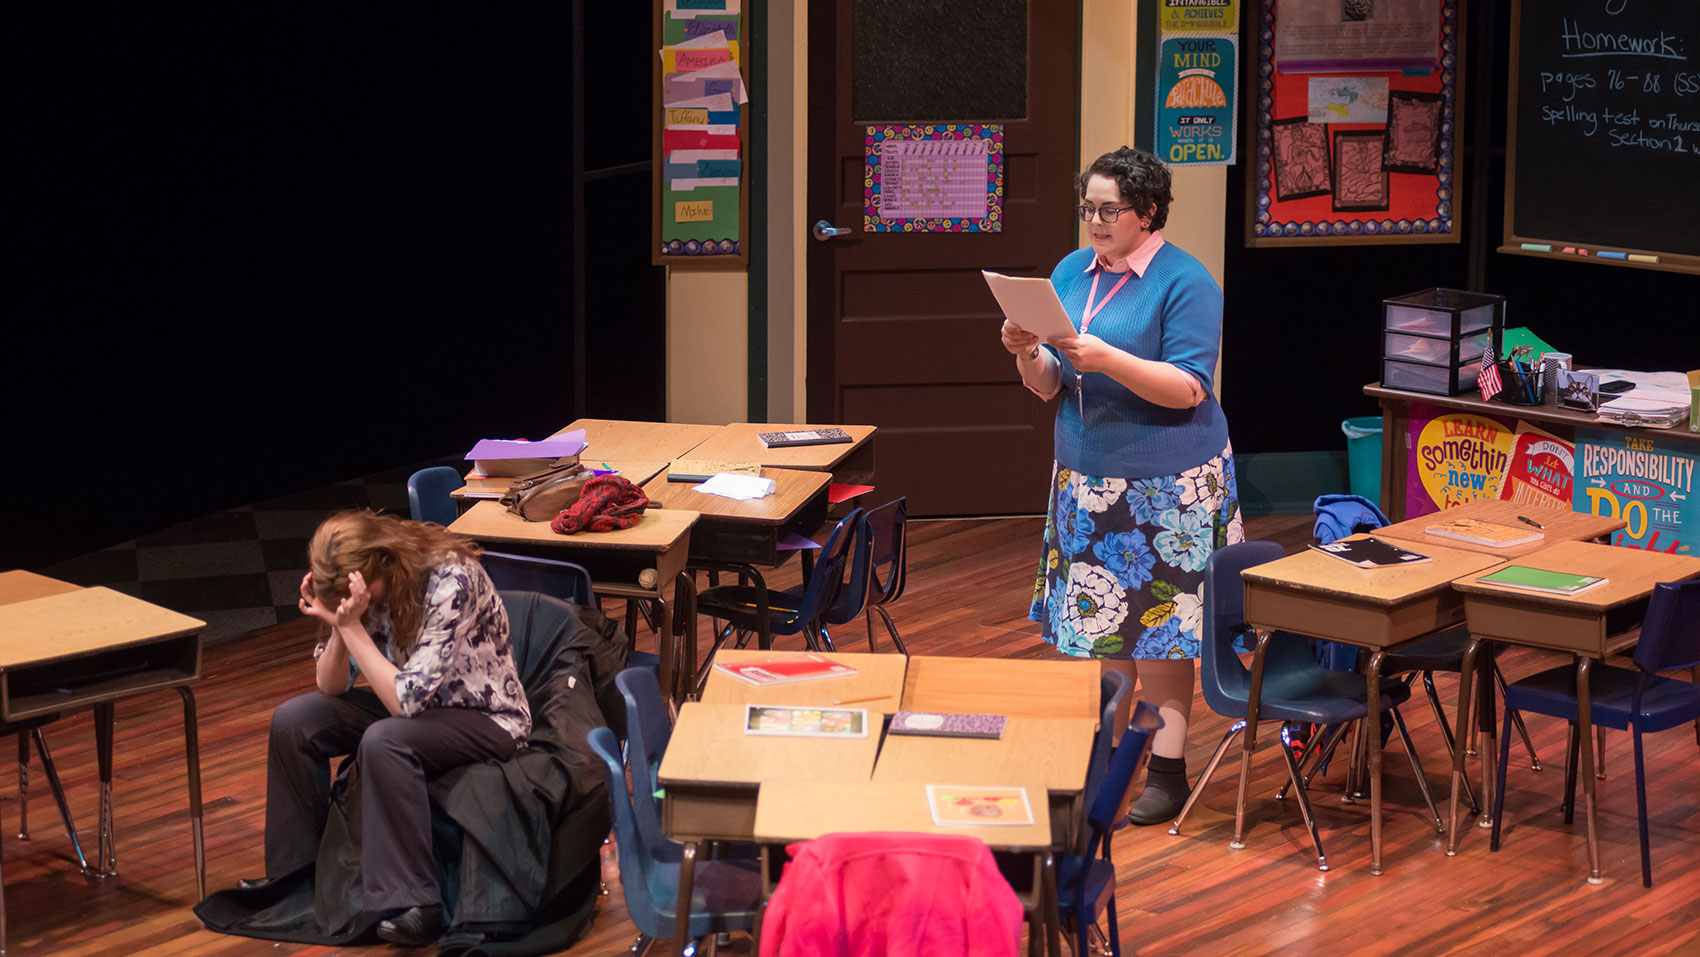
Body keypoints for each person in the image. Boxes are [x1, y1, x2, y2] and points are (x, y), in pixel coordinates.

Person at [1000, 146, 1242, 826]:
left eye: (1109, 210)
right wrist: (1028, 351)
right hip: (1085, 478)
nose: (1096, 223)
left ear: (1148, 212)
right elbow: (1052, 383)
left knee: (1158, 636)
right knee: (1098, 633)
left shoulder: (1185, 281)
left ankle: (1167, 768)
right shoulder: (1072, 272)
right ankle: (1106, 761)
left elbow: (1188, 385)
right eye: (1088, 209)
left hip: (1168, 485)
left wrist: (1107, 357)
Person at [256, 510, 531, 945]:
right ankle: (296, 877)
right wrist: (336, 624)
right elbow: (331, 685)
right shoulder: (367, 592)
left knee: (384, 741)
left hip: (484, 717)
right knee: (295, 720)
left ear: (383, 561)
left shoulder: (451, 581)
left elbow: (405, 703)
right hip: (415, 710)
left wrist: (352, 627)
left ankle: (416, 903)